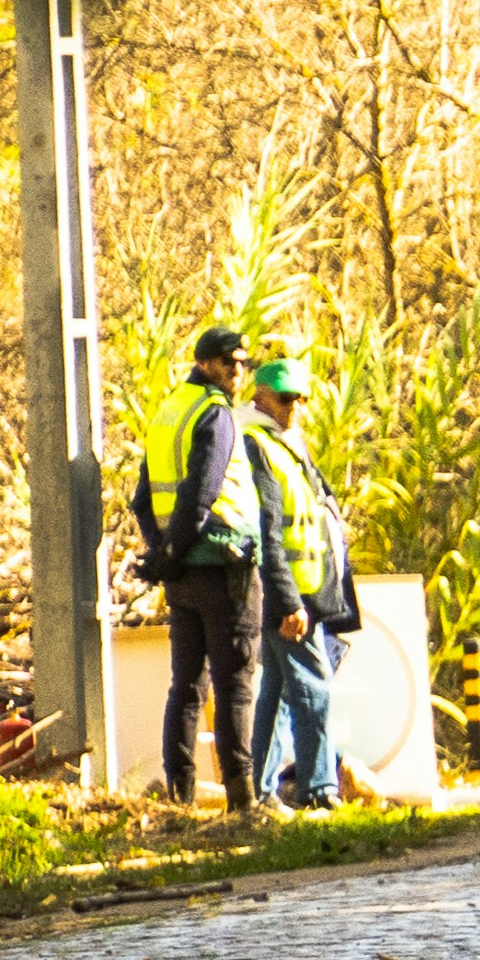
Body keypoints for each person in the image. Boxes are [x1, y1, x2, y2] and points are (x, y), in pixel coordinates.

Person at [127, 322, 284, 814]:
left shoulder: (168, 412)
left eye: (243, 363)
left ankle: (181, 796)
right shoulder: (215, 414)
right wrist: (173, 552)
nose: (238, 371)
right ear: (204, 363)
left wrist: (163, 556)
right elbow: (201, 492)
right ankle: (243, 802)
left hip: (182, 576)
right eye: (228, 362)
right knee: (235, 684)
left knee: (187, 686)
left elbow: (142, 499)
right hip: (223, 565)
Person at [243, 349, 363, 810]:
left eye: (301, 398)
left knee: (276, 697)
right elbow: (267, 533)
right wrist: (288, 601)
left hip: (303, 590)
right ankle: (319, 789)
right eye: (284, 398)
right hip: (292, 595)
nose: (294, 406)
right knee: (314, 689)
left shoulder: (287, 445)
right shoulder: (259, 445)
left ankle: (261, 792)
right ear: (261, 397)